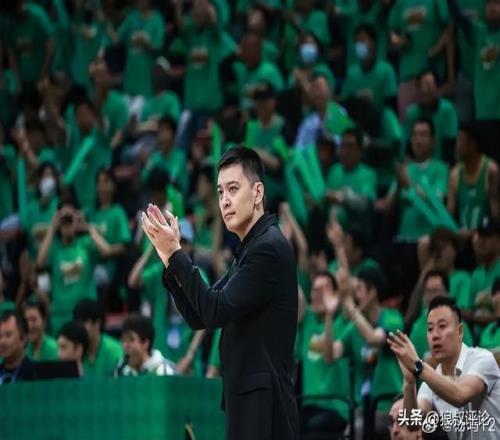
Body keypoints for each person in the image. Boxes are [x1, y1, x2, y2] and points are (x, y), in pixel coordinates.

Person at [141, 146, 299, 439]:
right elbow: (199, 316)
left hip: (264, 409)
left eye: (233, 189)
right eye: (220, 192)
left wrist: (176, 253)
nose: (224, 200)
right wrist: (168, 258)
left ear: (258, 192)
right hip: (250, 403)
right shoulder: (251, 248)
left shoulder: (267, 249)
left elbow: (213, 311)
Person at [388, 296, 500, 439]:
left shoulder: (482, 359)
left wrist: (418, 365)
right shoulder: (431, 380)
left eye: (442, 326)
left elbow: (460, 395)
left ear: (460, 331)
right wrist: (409, 383)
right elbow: (413, 423)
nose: (435, 335)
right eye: (430, 329)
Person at [73, 298, 123, 378]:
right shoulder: (76, 351)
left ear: (97, 323)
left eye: (84, 321)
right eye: (77, 322)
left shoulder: (114, 351)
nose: (80, 327)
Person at [0, 310, 37, 384]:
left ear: (23, 339)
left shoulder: (36, 374)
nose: (2, 342)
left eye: (8, 335)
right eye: (0, 336)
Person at [23, 295, 58, 361]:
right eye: (26, 320)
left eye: (33, 320)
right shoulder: (25, 350)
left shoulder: (53, 349)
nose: (29, 325)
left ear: (44, 321)